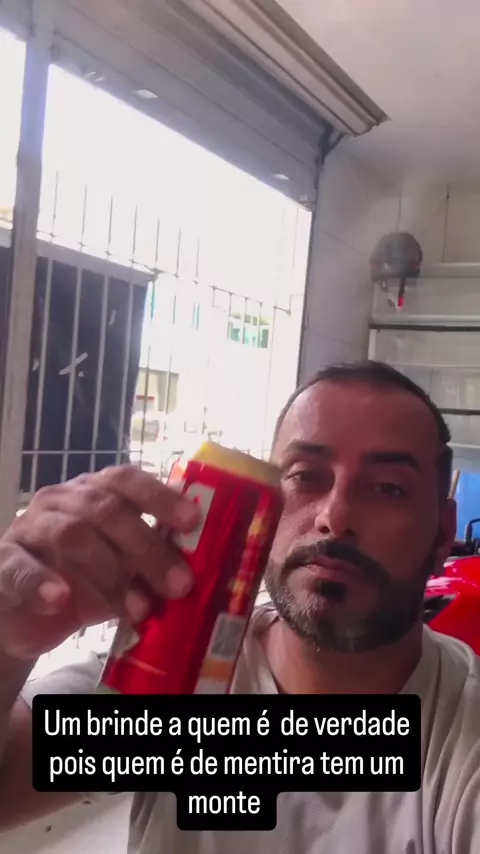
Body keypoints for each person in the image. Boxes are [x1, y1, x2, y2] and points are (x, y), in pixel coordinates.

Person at [0, 360, 478, 854]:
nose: (334, 516)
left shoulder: (464, 737)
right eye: (305, 475)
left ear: (443, 532)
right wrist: (8, 647)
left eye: (388, 488)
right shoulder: (176, 678)